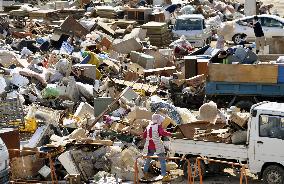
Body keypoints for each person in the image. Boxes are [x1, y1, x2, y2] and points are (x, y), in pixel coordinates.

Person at [142, 114, 173, 182]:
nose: (161, 122)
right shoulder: (158, 126)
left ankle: (144, 172)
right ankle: (163, 174)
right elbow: (162, 133)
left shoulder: (148, 126)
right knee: (162, 160)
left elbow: (144, 135)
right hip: (157, 145)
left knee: (148, 159)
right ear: (158, 120)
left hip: (149, 145)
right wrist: (170, 134)